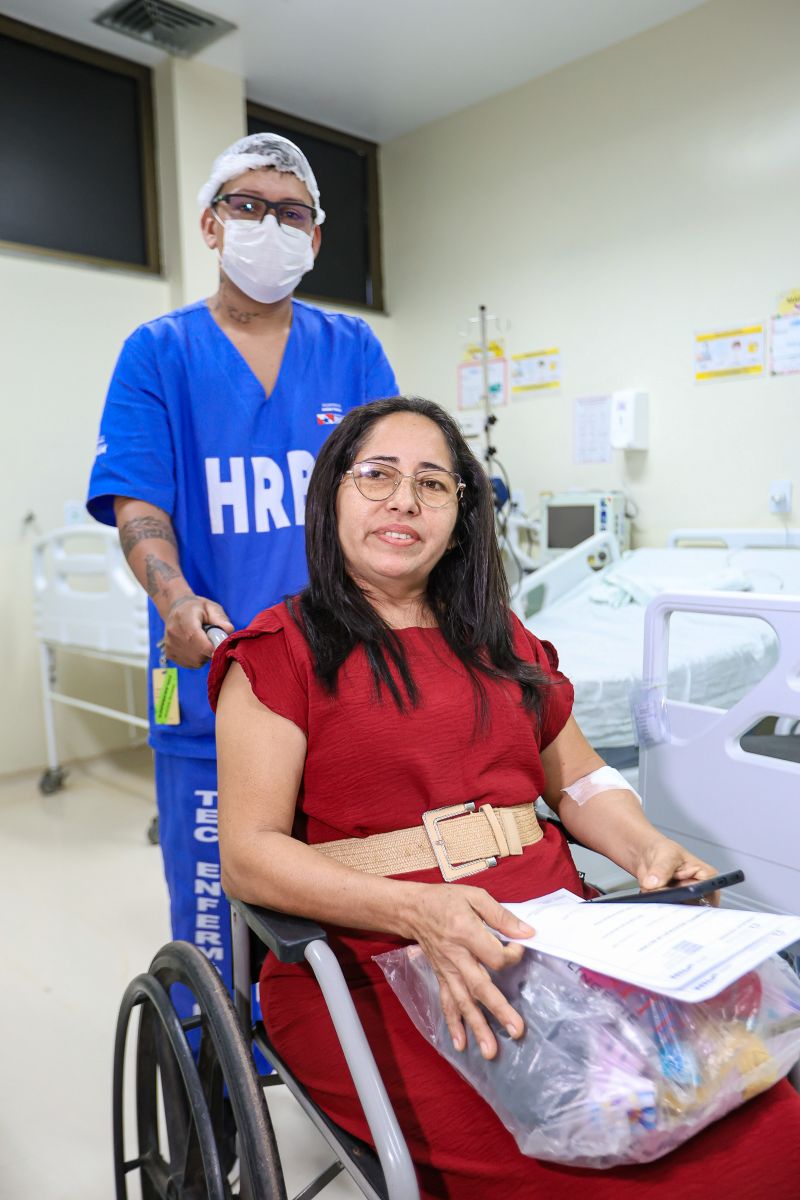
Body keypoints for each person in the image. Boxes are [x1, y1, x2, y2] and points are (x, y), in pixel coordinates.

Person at [209, 396, 800, 1199]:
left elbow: (580, 780)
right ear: (332, 496)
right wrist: (418, 911)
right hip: (373, 966)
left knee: (765, 1122)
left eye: (432, 483)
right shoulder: (278, 653)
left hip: (560, 945)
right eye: (377, 475)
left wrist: (646, 847)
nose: (404, 501)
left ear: (459, 516)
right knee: (571, 1173)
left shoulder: (501, 641)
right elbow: (249, 857)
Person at [86, 132, 396, 991]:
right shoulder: (160, 351)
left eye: (291, 213)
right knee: (217, 919)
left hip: (339, 677)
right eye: (248, 205)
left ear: (315, 237)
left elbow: (389, 488)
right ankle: (212, 1051)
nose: (269, 225)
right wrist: (175, 597)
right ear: (211, 226)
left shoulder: (352, 350)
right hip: (207, 676)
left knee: (338, 901)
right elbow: (138, 501)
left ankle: (318, 1046)